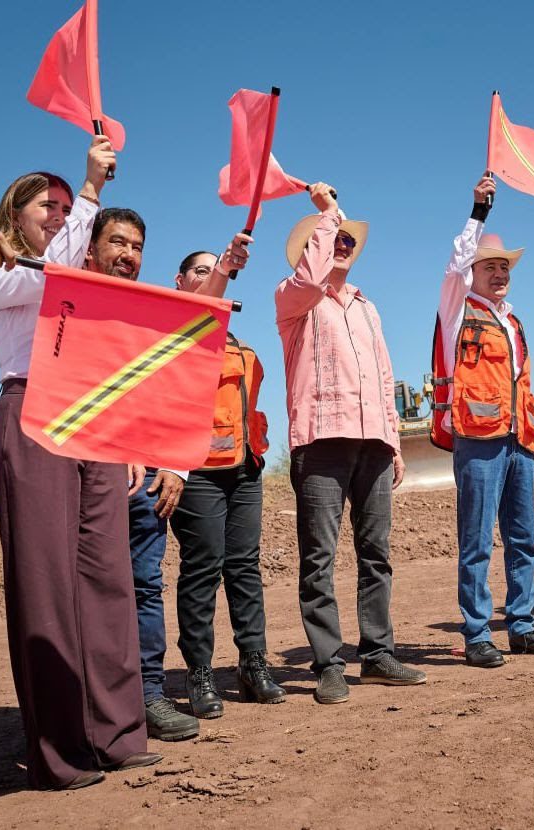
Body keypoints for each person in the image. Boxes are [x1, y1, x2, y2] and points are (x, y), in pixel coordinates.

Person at [0, 137, 161, 790]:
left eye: (66, 207)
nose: (60, 216)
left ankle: (117, 734)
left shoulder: (74, 270)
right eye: (47, 206)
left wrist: (125, 438)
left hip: (92, 424)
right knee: (47, 587)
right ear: (16, 216)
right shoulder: (0, 272)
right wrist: (89, 190)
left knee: (108, 580)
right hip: (32, 415)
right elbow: (49, 270)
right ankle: (60, 750)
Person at [275, 182, 426, 704]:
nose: (343, 246)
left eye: (347, 241)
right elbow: (310, 274)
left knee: (375, 553)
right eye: (333, 239)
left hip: (375, 444)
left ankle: (378, 656)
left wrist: (396, 442)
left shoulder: (367, 306)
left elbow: (385, 377)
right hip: (320, 440)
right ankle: (327, 663)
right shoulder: (293, 299)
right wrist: (328, 214)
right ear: (312, 248)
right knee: (318, 556)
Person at [430, 173, 534, 668]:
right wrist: (478, 211)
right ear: (473, 272)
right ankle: (477, 633)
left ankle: (522, 626)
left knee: (523, 540)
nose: (499, 272)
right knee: (478, 542)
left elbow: (522, 382)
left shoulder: (514, 319)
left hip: (516, 440)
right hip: (478, 440)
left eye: (504, 266)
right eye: (490, 266)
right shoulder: (457, 311)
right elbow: (454, 263)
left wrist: (533, 436)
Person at [83, 208, 199, 742]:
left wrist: (174, 463)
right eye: (117, 243)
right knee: (86, 589)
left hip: (145, 479)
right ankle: (92, 704)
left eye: (136, 246)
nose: (128, 255)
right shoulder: (66, 308)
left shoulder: (154, 315)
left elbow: (175, 393)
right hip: (81, 473)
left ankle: (149, 694)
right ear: (91, 248)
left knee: (145, 586)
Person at [170, 238, 286, 717]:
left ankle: (252, 664)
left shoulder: (241, 348)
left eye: (211, 270)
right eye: (198, 270)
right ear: (180, 283)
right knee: (202, 569)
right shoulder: (178, 334)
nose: (207, 276)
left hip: (243, 472)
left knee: (244, 569)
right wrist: (225, 267)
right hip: (195, 474)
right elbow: (202, 310)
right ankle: (199, 673)